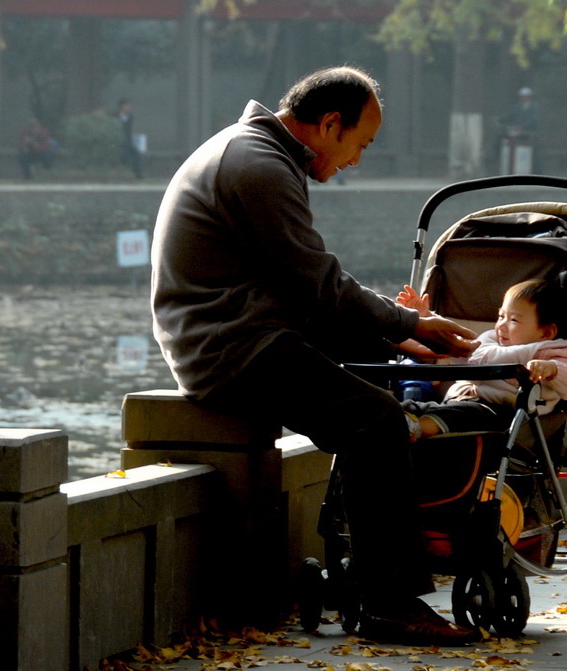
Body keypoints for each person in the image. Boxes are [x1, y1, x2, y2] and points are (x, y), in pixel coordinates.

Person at [151, 66, 482, 646]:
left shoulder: (257, 152)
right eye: (361, 143)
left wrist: (399, 339)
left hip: (249, 332)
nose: (357, 160)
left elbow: (306, 291)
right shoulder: (257, 166)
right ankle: (387, 601)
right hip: (233, 349)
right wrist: (412, 323)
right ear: (330, 124)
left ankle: (369, 577)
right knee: (376, 421)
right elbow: (316, 282)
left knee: (379, 386)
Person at [397, 280, 567, 440]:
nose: (502, 325)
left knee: (462, 415)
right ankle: (395, 419)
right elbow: (456, 343)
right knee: (417, 407)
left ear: (546, 332)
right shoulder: (490, 341)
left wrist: (553, 369)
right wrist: (428, 318)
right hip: (457, 401)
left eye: (513, 320)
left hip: (500, 414)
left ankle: (415, 428)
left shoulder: (551, 352)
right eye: (501, 316)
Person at [497, 86, 542, 173]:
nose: (523, 98)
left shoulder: (535, 107)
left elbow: (534, 120)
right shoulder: (518, 106)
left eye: (525, 96)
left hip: (532, 133)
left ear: (529, 96)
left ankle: (537, 173)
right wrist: (499, 118)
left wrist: (523, 127)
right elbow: (509, 115)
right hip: (519, 132)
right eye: (522, 96)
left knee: (536, 154)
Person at [116, 98, 143, 178]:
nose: (129, 107)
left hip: (128, 143)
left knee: (136, 155)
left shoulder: (130, 117)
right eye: (127, 106)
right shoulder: (115, 117)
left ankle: (138, 175)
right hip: (117, 143)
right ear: (122, 107)